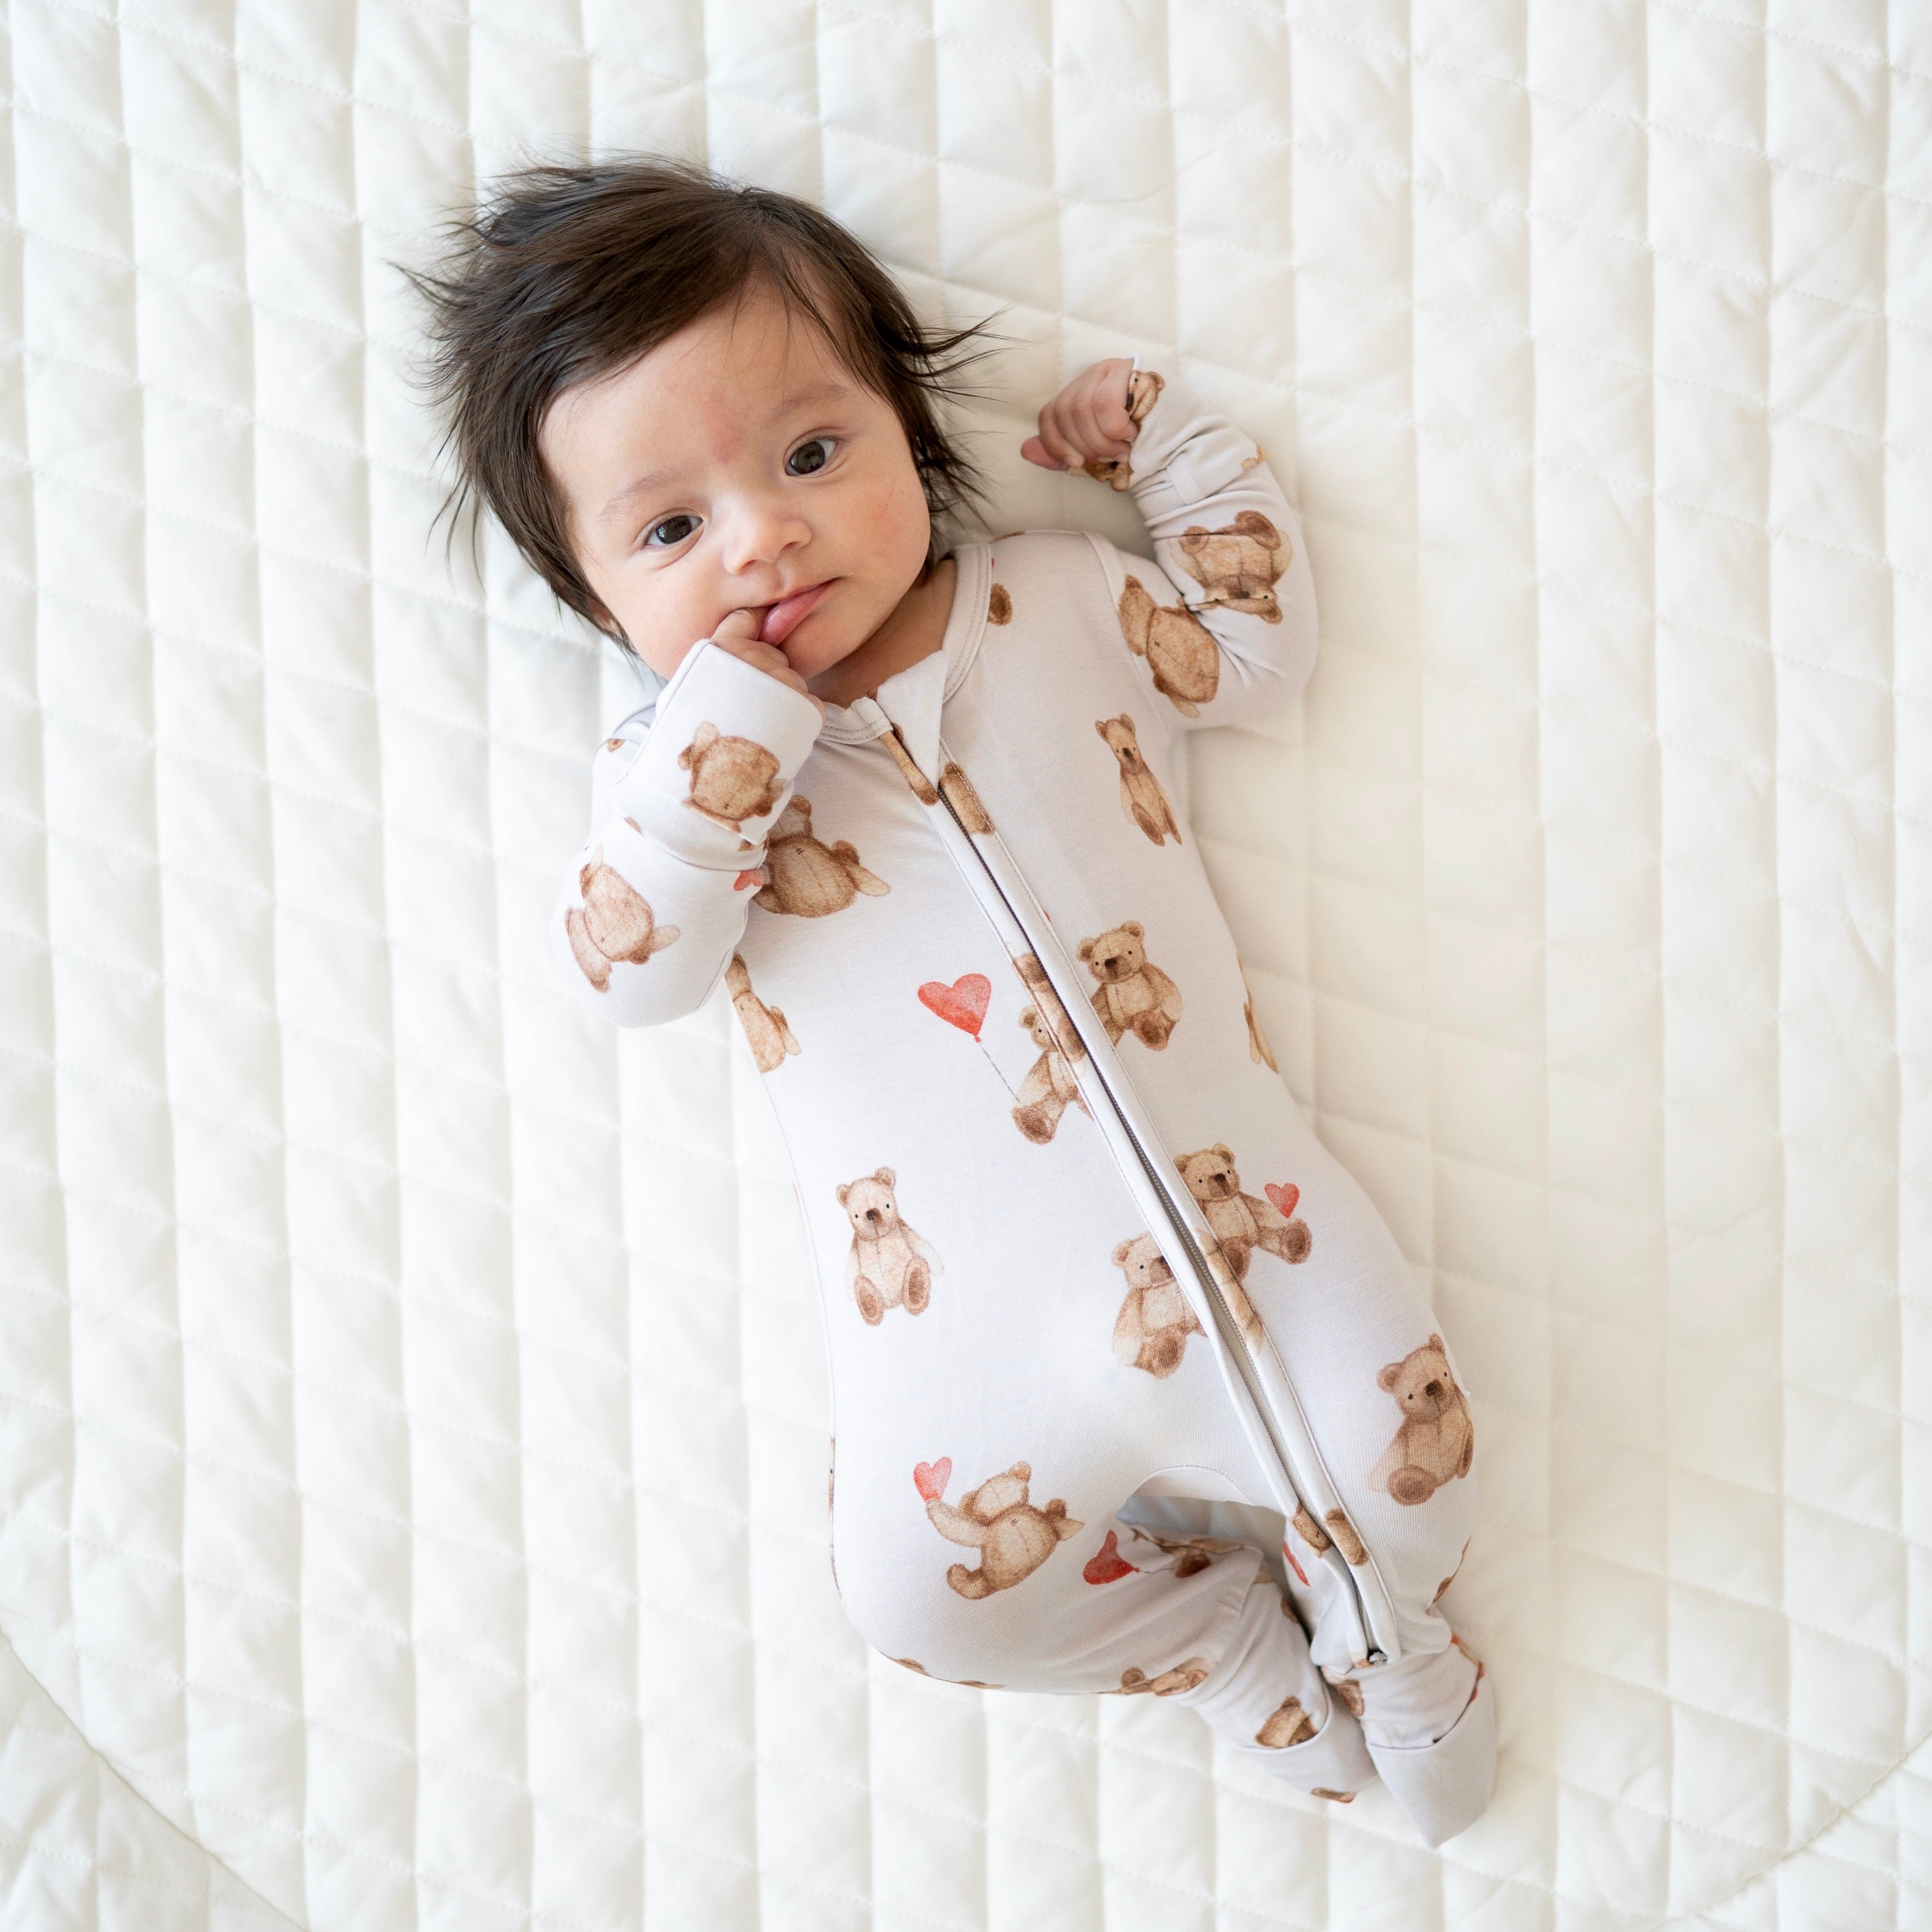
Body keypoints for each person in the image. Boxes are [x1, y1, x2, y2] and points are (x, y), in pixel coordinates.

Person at [411, 156, 1494, 1845]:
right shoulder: (668, 779)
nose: (762, 535)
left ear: (906, 430)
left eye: (810, 455)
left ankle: (1393, 1643)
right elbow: (632, 974)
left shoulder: (1051, 601)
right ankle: (1218, 1640)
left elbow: (1250, 649)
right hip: (963, 1349)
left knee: (1412, 1463)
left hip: (1251, 1247)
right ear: (596, 599)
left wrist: (1169, 452)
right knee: (919, 1601)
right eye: (671, 529)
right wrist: (721, 744)